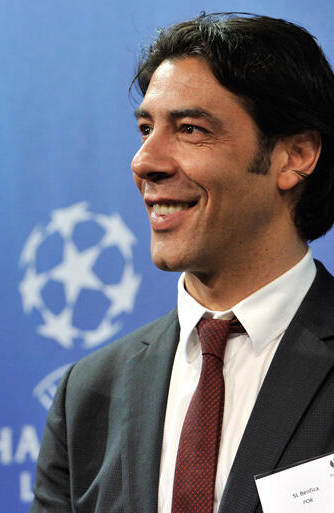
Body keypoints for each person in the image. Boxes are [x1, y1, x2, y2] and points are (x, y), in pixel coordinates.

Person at [30, 12, 334, 513]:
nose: (144, 162)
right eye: (145, 129)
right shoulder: (88, 393)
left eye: (190, 129)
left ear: (294, 155)